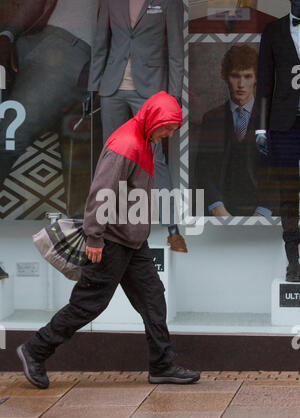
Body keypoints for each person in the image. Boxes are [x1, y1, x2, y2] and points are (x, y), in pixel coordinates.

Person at [16, 91, 200, 389]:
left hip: (132, 241)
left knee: (153, 299)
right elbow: (101, 193)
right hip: (111, 241)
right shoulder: (126, 144)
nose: (168, 134)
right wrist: (95, 238)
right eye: (167, 128)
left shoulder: (145, 139)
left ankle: (162, 366)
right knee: (88, 305)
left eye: (172, 129)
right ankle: (34, 350)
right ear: (153, 120)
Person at [0, 0, 99, 279]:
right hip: (63, 49)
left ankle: (79, 261)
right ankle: (81, 263)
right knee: (7, 143)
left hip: (90, 65)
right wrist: (7, 35)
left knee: (82, 167)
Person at [88, 0, 187, 253]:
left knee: (155, 159)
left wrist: (174, 96)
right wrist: (93, 86)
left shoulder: (168, 2)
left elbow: (176, 50)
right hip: (112, 87)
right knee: (113, 160)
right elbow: (101, 42)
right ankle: (111, 225)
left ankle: (171, 227)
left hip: (150, 90)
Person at [191, 45, 271, 217]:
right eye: (235, 76)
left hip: (262, 210)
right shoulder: (212, 118)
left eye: (247, 76)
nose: (241, 84)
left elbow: (277, 170)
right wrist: (216, 206)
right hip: (221, 208)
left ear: (256, 78)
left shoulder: (270, 119)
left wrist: (263, 211)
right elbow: (203, 168)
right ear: (225, 77)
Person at [256, 0, 300, 282]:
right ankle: (293, 261)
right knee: (288, 193)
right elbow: (264, 83)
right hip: (284, 124)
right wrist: (261, 129)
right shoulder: (273, 31)